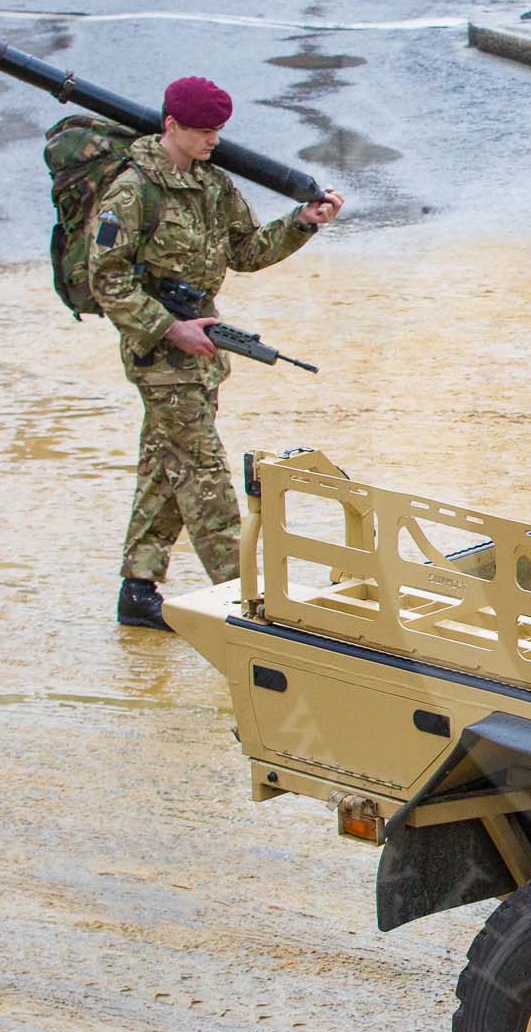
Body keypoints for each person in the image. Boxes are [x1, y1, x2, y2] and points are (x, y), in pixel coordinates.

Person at [88, 75, 343, 630]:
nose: (213, 142)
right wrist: (168, 329)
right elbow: (106, 280)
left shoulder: (214, 185)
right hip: (161, 358)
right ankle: (249, 603)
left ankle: (139, 590)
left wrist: (302, 225)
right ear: (171, 126)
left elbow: (247, 251)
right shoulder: (132, 192)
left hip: (201, 355)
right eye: (203, 132)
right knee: (204, 475)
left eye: (219, 133)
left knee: (166, 466)